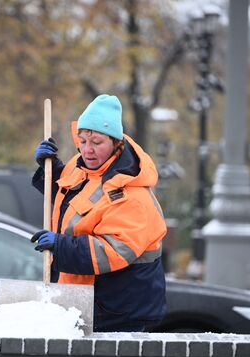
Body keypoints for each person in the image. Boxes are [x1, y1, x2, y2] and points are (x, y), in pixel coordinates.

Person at [31, 94, 167, 332]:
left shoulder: (132, 194)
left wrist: (60, 246)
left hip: (119, 310)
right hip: (86, 300)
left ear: (117, 143)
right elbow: (72, 201)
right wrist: (50, 168)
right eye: (82, 141)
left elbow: (113, 250)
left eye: (96, 142)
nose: (87, 150)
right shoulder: (82, 166)